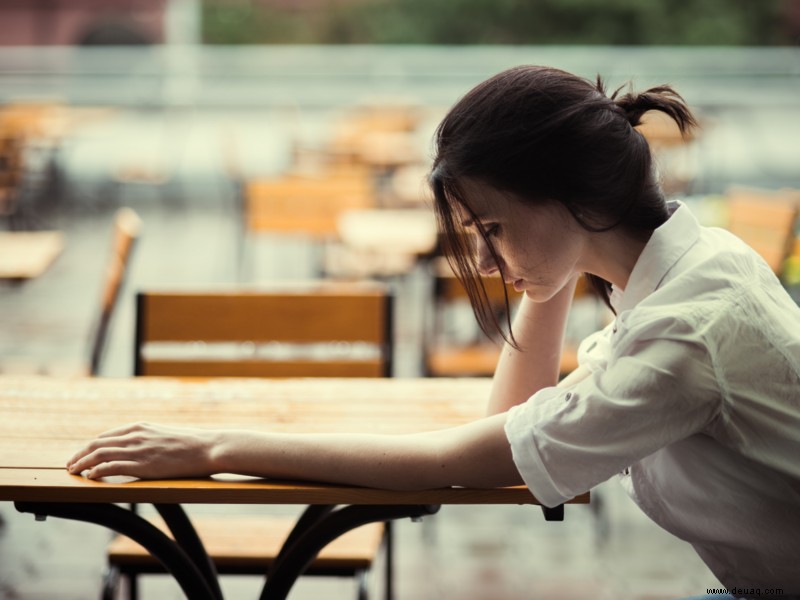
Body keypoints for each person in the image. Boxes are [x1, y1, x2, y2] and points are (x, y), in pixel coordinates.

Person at [67, 65, 800, 599]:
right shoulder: (695, 267)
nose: (483, 259)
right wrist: (551, 270)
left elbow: (470, 457)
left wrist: (213, 447)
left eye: (492, 228)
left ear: (573, 199)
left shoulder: (682, 335)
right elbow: (512, 424)